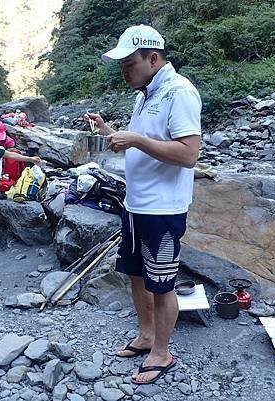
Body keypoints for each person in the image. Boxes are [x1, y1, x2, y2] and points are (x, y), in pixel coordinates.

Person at [85, 25, 201, 385]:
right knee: (137, 275)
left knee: (162, 283)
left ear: (153, 58)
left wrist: (135, 138)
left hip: (163, 209)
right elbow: (140, 144)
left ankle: (163, 354)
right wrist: (108, 130)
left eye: (129, 62)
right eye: (121, 64)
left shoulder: (178, 92)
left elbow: (188, 154)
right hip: (136, 205)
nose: (124, 70)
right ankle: (147, 336)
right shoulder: (145, 94)